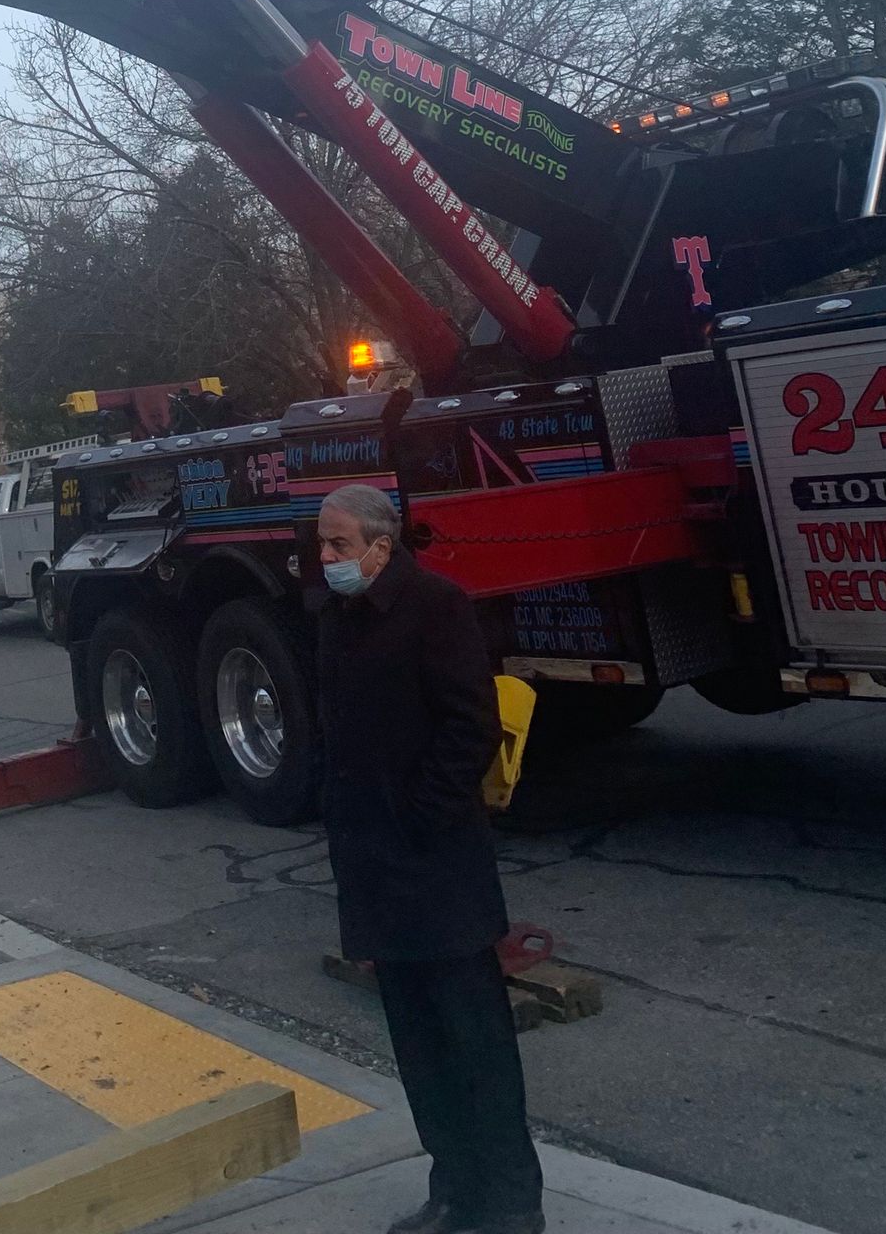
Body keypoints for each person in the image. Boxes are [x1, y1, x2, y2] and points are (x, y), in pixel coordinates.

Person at [316, 483, 542, 1234]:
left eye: (339, 545)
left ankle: (509, 1203)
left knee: (474, 1041)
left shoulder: (437, 608)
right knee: (418, 1046)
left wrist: (419, 820)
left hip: (435, 866)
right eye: (322, 544)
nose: (326, 558)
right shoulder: (338, 617)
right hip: (374, 866)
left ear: (382, 548)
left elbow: (469, 726)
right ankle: (452, 1190)